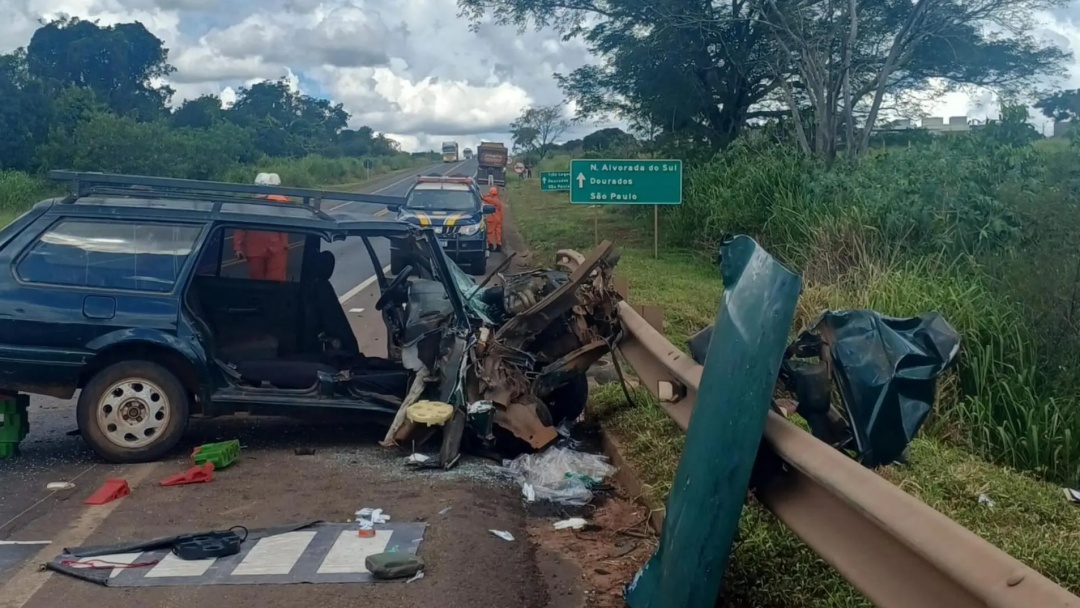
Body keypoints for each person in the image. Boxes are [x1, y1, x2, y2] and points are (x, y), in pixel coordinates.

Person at [233, 173, 291, 281]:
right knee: (256, 281)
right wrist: (237, 247)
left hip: (276, 249)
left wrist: (284, 244)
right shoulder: (248, 205)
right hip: (256, 249)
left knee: (276, 281)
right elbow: (240, 226)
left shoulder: (280, 202)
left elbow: (284, 224)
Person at [482, 186, 504, 252]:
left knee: (490, 233)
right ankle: (498, 246)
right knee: (498, 233)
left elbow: (484, 198)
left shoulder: (492, 200)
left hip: (492, 219)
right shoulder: (498, 200)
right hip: (499, 219)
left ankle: (490, 245)